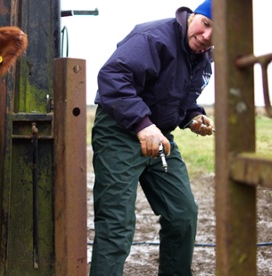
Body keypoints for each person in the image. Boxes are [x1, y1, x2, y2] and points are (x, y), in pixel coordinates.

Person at [90, 0, 215, 275]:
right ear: (193, 16)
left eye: (215, 34)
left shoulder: (202, 56)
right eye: (205, 25)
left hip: (160, 137)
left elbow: (179, 97)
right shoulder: (153, 37)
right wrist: (142, 124)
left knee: (183, 215)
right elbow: (112, 76)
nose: (206, 37)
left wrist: (193, 116)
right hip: (119, 132)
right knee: (116, 223)